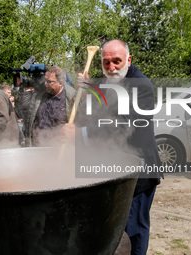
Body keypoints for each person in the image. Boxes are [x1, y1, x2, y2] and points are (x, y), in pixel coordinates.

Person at [73, 39, 161, 255]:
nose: (111, 68)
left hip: (139, 174)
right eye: (106, 62)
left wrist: (81, 134)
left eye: (117, 62)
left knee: (134, 230)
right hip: (115, 169)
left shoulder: (142, 86)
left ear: (128, 60)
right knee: (116, 230)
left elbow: (123, 125)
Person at [23, 65, 76, 146]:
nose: (45, 84)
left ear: (60, 83)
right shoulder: (39, 94)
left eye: (49, 82)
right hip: (37, 147)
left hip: (58, 149)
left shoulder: (71, 97)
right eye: (45, 80)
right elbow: (26, 111)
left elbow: (79, 124)